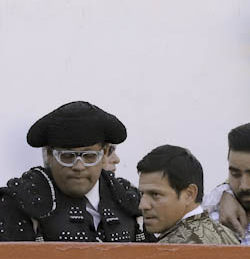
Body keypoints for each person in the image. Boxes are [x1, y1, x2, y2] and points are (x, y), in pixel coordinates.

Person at [0, 101, 145, 242]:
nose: (79, 167)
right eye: (67, 156)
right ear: (50, 155)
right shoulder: (20, 201)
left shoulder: (130, 200)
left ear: (104, 153)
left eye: (89, 156)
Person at [137, 144, 239, 245]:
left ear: (189, 194)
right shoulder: (228, 235)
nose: (143, 205)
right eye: (142, 194)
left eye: (155, 194)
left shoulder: (171, 248)